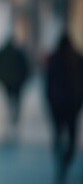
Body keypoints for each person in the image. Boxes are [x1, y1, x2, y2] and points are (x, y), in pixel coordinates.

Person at [45, 33, 83, 183]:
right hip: (72, 105)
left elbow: (47, 83)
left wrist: (48, 100)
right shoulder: (78, 58)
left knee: (58, 134)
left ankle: (60, 160)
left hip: (57, 104)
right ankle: (65, 160)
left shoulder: (54, 58)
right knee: (72, 137)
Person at [0, 35, 30, 139]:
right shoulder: (19, 53)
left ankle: (13, 116)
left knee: (9, 99)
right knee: (17, 100)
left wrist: (0, 78)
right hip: (17, 81)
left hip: (7, 81)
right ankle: (15, 117)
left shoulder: (2, 52)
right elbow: (26, 67)